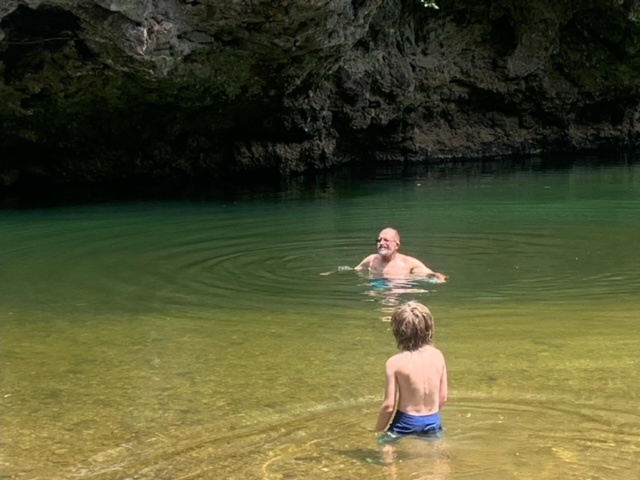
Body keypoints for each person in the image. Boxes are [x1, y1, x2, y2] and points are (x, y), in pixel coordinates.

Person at [375, 301, 448, 441]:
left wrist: (377, 431)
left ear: (397, 331)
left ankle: (388, 456)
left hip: (406, 421)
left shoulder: (394, 363)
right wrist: (428, 419)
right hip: (432, 419)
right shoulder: (438, 355)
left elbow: (389, 406)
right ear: (429, 328)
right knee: (437, 447)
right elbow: (443, 397)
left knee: (384, 444)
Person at [355, 228, 447, 282]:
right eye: (379, 240)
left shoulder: (408, 263)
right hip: (377, 290)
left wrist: (441, 279)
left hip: (399, 292)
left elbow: (433, 274)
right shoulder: (372, 259)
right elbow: (355, 270)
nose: (381, 243)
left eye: (386, 240)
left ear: (397, 245)